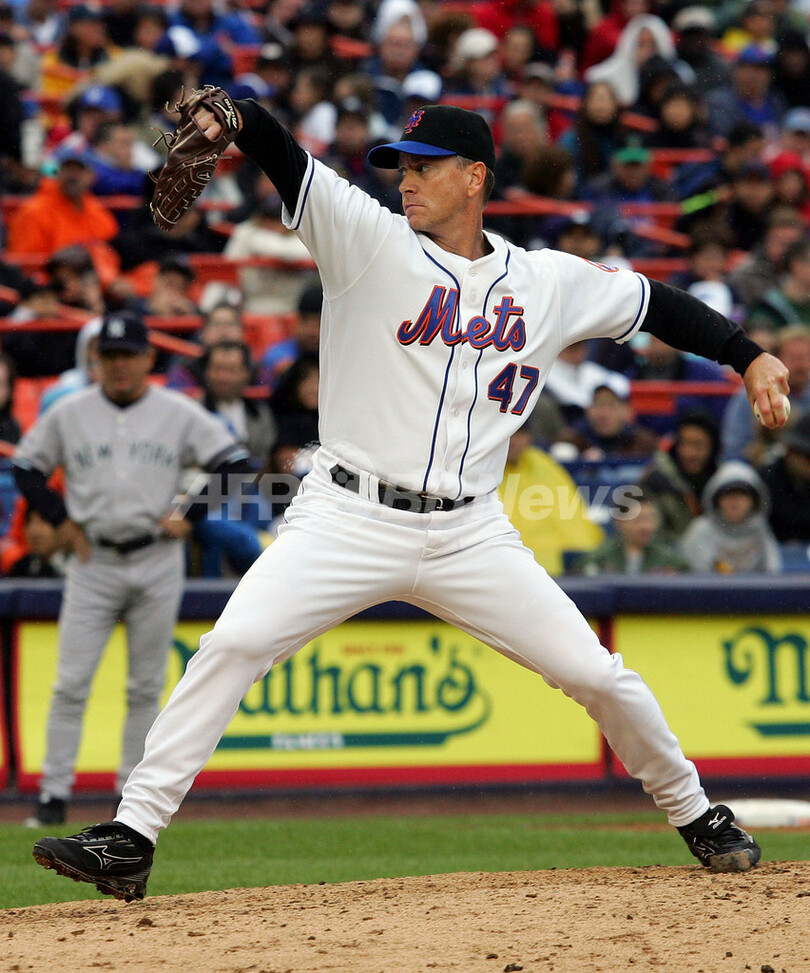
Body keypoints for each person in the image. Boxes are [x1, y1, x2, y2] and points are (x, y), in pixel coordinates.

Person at [33, 96, 790, 902]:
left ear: (476, 178)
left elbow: (654, 303)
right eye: (402, 166)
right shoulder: (366, 240)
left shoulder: (547, 281)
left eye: (426, 167)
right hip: (346, 515)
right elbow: (287, 156)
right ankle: (133, 834)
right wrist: (240, 120)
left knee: (598, 676)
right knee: (233, 644)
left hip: (472, 533)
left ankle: (697, 812)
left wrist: (746, 355)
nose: (406, 180)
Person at [15, 310, 250, 828]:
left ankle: (128, 798)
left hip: (155, 556)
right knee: (70, 683)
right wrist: (60, 519)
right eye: (111, 356)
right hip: (93, 558)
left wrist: (190, 514)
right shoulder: (70, 412)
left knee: (145, 685)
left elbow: (235, 462)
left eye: (129, 355)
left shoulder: (176, 411)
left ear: (148, 358)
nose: (119, 364)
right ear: (97, 360)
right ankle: (53, 795)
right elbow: (27, 467)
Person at [498, 423, 604, 576]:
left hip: (558, 568)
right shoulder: (480, 467)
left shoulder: (544, 464)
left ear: (529, 437)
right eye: (508, 433)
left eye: (519, 433)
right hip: (506, 565)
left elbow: (572, 517)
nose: (513, 440)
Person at [679, 460, 781, 574]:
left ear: (754, 501)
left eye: (742, 495)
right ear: (716, 500)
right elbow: (692, 576)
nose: (734, 501)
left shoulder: (759, 528)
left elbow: (772, 571)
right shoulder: (700, 530)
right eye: (728, 495)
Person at [574, 490, 689, 575]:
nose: (646, 526)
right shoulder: (600, 558)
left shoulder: (669, 559)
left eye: (651, 519)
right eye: (638, 520)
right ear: (619, 521)